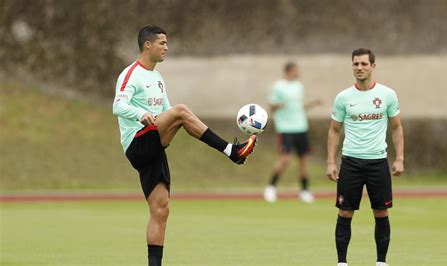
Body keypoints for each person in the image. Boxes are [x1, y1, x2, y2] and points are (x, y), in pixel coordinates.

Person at [112, 25, 257, 266]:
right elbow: (118, 106)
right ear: (147, 45)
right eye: (162, 43)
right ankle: (231, 151)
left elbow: (168, 113)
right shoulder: (131, 73)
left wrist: (178, 121)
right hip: (138, 142)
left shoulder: (157, 77)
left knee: (161, 210)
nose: (166, 48)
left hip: (154, 145)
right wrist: (141, 114)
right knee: (181, 111)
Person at [326, 48, 404, 266]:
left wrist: (399, 158)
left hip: (378, 162)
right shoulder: (343, 97)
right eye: (355, 64)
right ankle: (342, 263)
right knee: (345, 212)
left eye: (363, 64)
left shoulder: (387, 95)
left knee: (381, 211)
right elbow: (334, 130)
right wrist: (331, 161)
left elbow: (397, 127)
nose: (359, 68)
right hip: (350, 162)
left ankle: (381, 262)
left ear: (373, 66)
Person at [263, 62, 323, 203]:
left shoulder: (299, 86)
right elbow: (271, 108)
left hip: (301, 127)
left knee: (304, 160)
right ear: (289, 71)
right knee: (285, 159)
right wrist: (279, 105)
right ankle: (270, 188)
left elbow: (298, 107)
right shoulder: (278, 86)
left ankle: (304, 191)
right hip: (285, 128)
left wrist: (313, 103)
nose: (298, 73)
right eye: (296, 70)